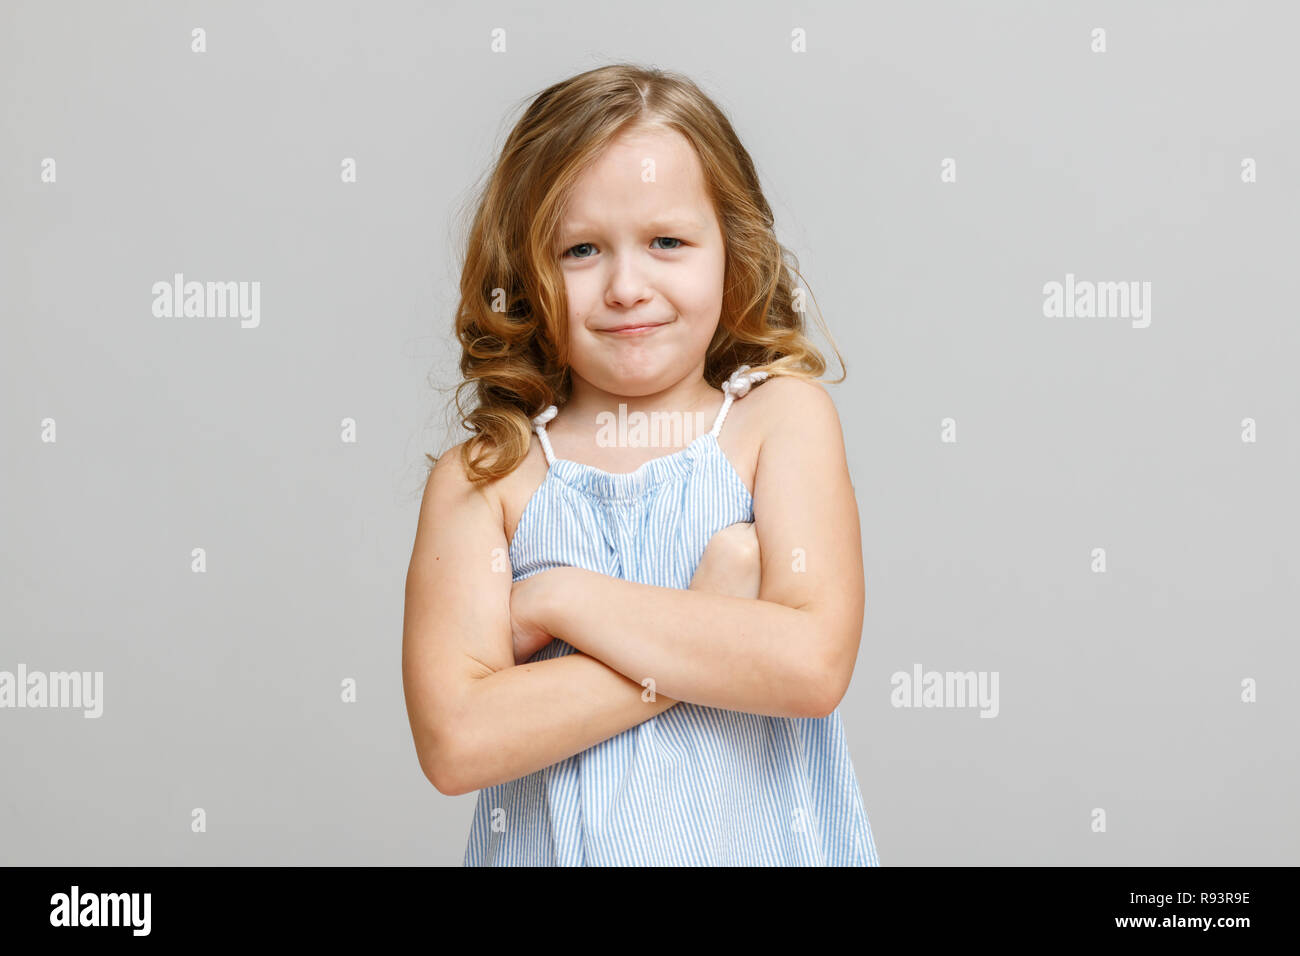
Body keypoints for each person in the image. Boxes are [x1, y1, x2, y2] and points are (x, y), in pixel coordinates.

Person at [402, 63, 881, 866]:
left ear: (731, 249)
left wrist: (563, 598)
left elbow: (810, 665)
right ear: (525, 273)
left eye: (667, 242)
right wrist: (706, 622)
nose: (627, 286)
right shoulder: (486, 480)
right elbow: (458, 741)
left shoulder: (779, 424)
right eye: (581, 249)